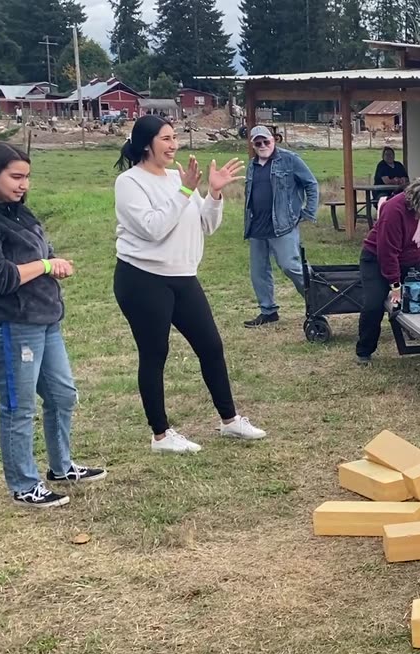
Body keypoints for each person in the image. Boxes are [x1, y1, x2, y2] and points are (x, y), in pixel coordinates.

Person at [0, 142, 106, 508]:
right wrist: (47, 266)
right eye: (15, 177)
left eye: (27, 177)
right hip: (7, 324)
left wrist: (52, 261)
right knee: (18, 406)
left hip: (44, 319)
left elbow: (41, 250)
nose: (23, 185)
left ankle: (62, 467)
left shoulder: (18, 212)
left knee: (62, 395)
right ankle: (23, 485)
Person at [113, 114, 267, 453]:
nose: (174, 145)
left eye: (175, 137)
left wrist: (213, 193)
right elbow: (153, 228)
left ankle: (230, 420)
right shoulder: (129, 182)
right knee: (155, 353)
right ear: (146, 144)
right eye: (166, 139)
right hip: (143, 279)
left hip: (183, 277)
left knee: (211, 346)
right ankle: (160, 435)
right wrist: (185, 190)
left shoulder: (176, 177)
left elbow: (206, 225)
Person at [355, 173, 420, 365]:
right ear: (419, 199)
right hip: (377, 258)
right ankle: (364, 350)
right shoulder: (394, 209)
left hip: (413, 258)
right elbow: (387, 251)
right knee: (374, 304)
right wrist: (395, 284)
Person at [242, 125, 319, 328]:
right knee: (258, 272)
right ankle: (268, 311)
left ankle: (318, 301)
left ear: (274, 140)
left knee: (290, 266)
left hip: (283, 225)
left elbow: (311, 184)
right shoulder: (252, 166)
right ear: (253, 145)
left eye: (266, 141)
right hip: (257, 226)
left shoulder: (289, 159)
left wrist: (308, 212)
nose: (263, 145)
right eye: (258, 143)